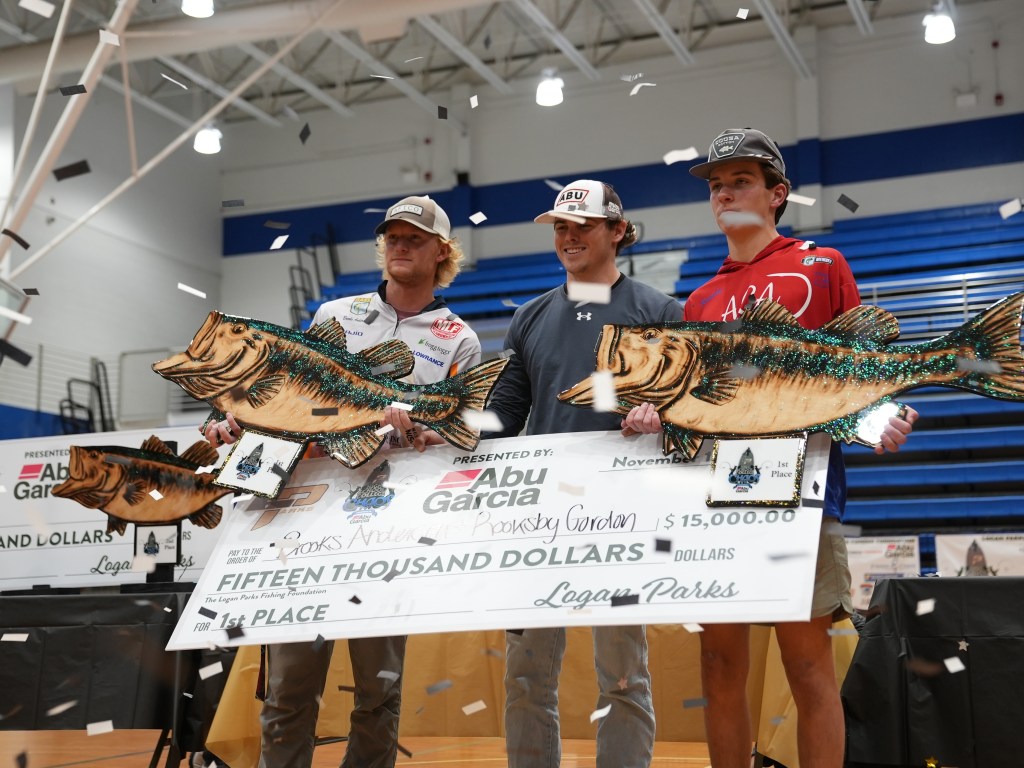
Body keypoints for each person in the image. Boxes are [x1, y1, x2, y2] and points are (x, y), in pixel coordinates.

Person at [624, 128, 917, 767]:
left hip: (803, 496)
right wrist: (655, 414)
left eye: (741, 182)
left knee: (807, 665)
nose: (725, 194)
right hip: (717, 500)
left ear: (777, 193)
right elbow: (703, 407)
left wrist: (883, 414)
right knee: (718, 663)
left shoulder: (822, 264)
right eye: (717, 185)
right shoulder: (700, 299)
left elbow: (862, 365)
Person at [391, 180, 680, 767]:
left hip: (623, 516)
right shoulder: (530, 316)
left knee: (623, 676)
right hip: (541, 516)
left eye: (583, 227)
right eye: (561, 228)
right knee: (526, 676)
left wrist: (662, 417)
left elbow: (687, 411)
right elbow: (502, 415)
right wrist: (444, 430)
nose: (569, 237)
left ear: (617, 232)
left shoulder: (660, 311)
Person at [202, 195, 481, 768]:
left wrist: (424, 433)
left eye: (415, 239)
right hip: (306, 520)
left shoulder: (460, 339)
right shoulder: (335, 314)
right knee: (289, 687)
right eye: (393, 237)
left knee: (378, 690)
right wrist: (230, 417)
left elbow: (466, 434)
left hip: (391, 526)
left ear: (441, 252)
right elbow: (286, 398)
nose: (400, 246)